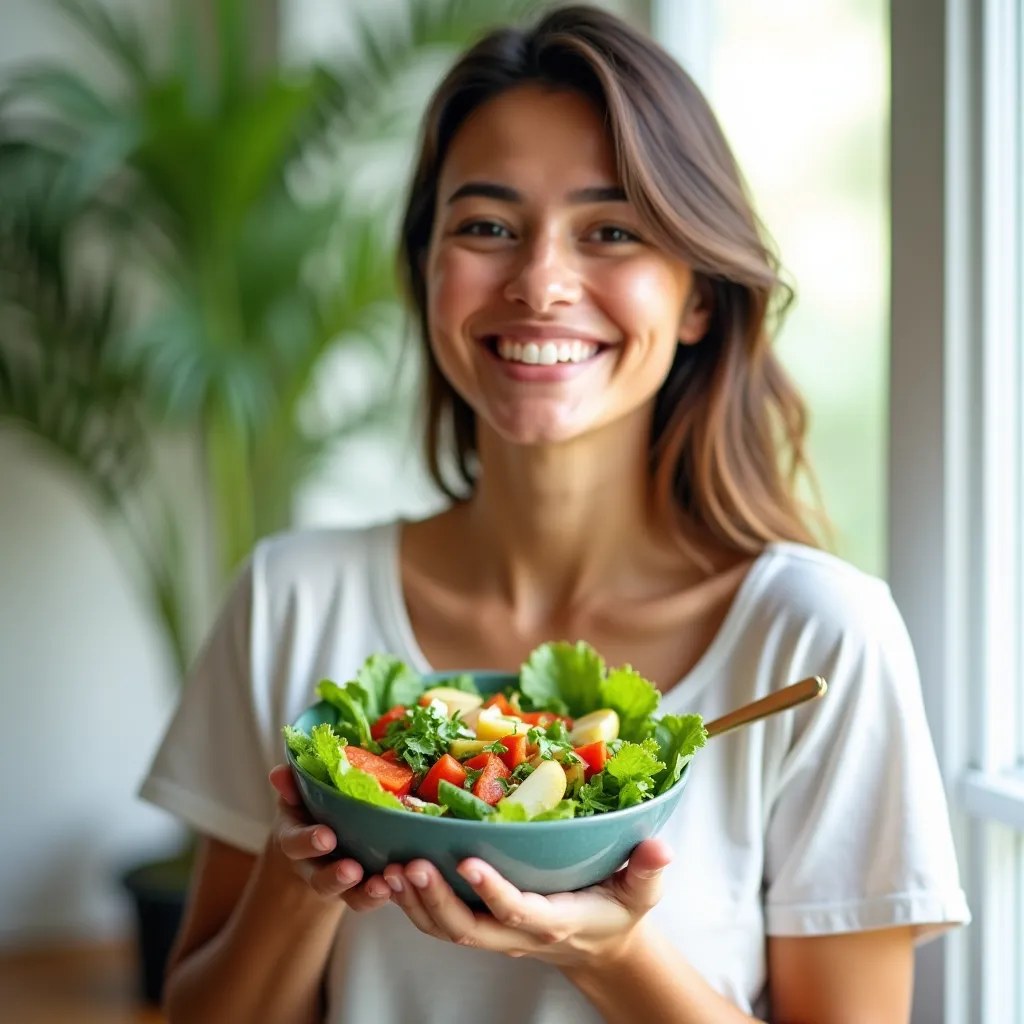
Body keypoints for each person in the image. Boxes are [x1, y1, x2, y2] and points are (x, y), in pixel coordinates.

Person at [139, 5, 969, 1022]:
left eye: (611, 231)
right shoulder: (291, 597)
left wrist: (611, 956)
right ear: (427, 273)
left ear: (698, 297)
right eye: (486, 227)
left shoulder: (820, 637)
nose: (539, 284)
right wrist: (306, 861)